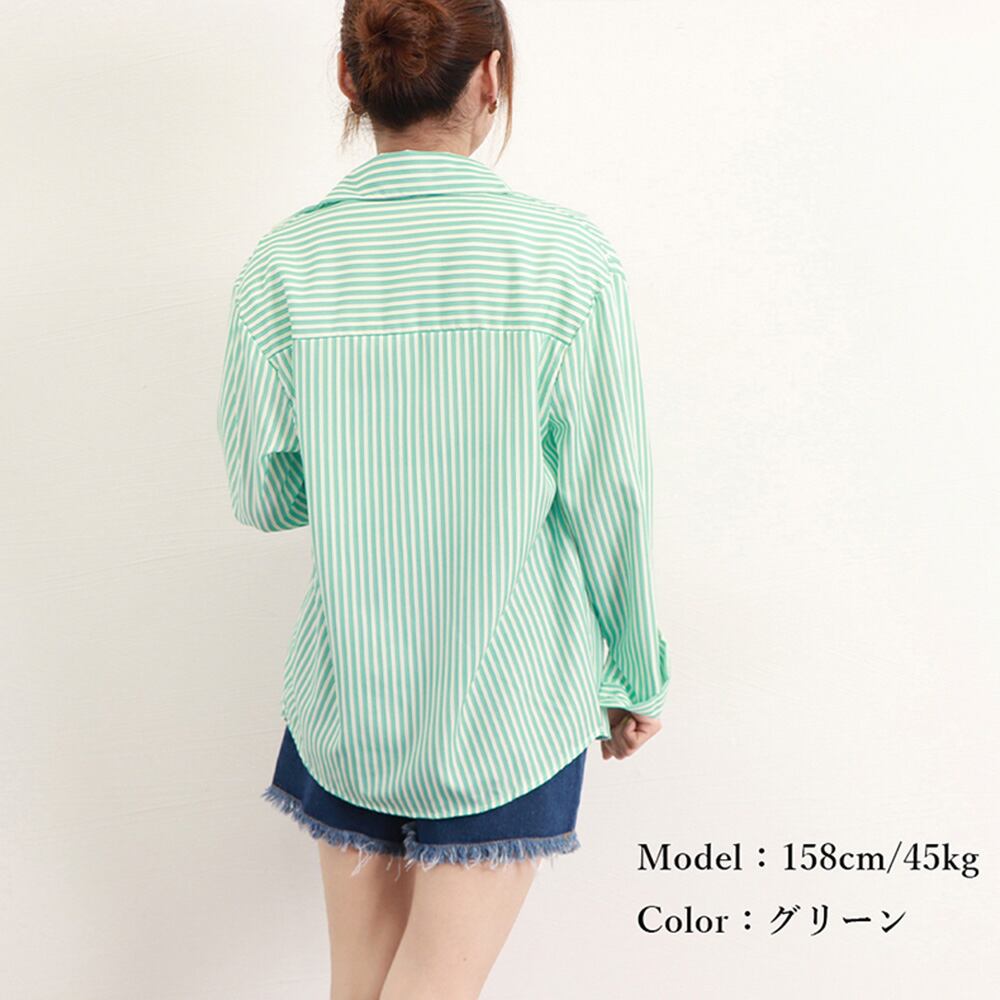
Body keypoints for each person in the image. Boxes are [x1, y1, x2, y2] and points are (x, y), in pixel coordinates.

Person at [216, 1, 671, 997]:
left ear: (350, 78)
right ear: (491, 78)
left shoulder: (283, 264)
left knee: (359, 987)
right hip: (509, 703)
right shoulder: (565, 260)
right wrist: (636, 668)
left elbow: (261, 492)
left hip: (348, 700)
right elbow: (611, 491)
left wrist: (360, 465)